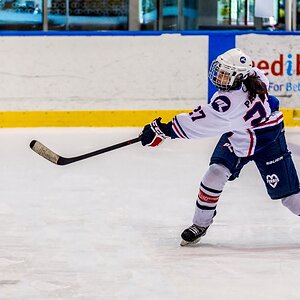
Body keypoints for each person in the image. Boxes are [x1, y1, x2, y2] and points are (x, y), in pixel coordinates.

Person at [140, 48, 300, 246]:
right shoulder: (254, 76)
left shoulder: (229, 103)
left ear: (238, 77)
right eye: (220, 71)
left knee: (291, 199)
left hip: (267, 140)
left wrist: (164, 129)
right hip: (239, 135)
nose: (219, 76)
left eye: (225, 73)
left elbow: (198, 123)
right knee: (215, 173)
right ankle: (200, 224)